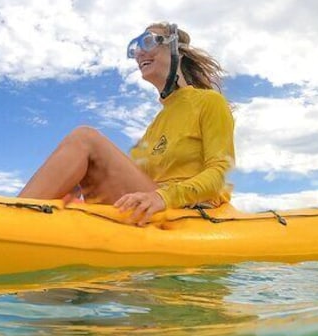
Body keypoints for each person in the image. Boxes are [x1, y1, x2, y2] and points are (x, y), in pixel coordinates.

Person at [18, 22, 235, 225]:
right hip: (150, 207)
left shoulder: (209, 102)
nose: (139, 53)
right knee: (85, 165)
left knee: (85, 138)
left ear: (176, 50)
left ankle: (14, 216)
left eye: (148, 42)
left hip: (186, 211)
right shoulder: (156, 124)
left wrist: (164, 196)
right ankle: (21, 221)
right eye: (135, 49)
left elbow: (221, 173)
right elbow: (123, 175)